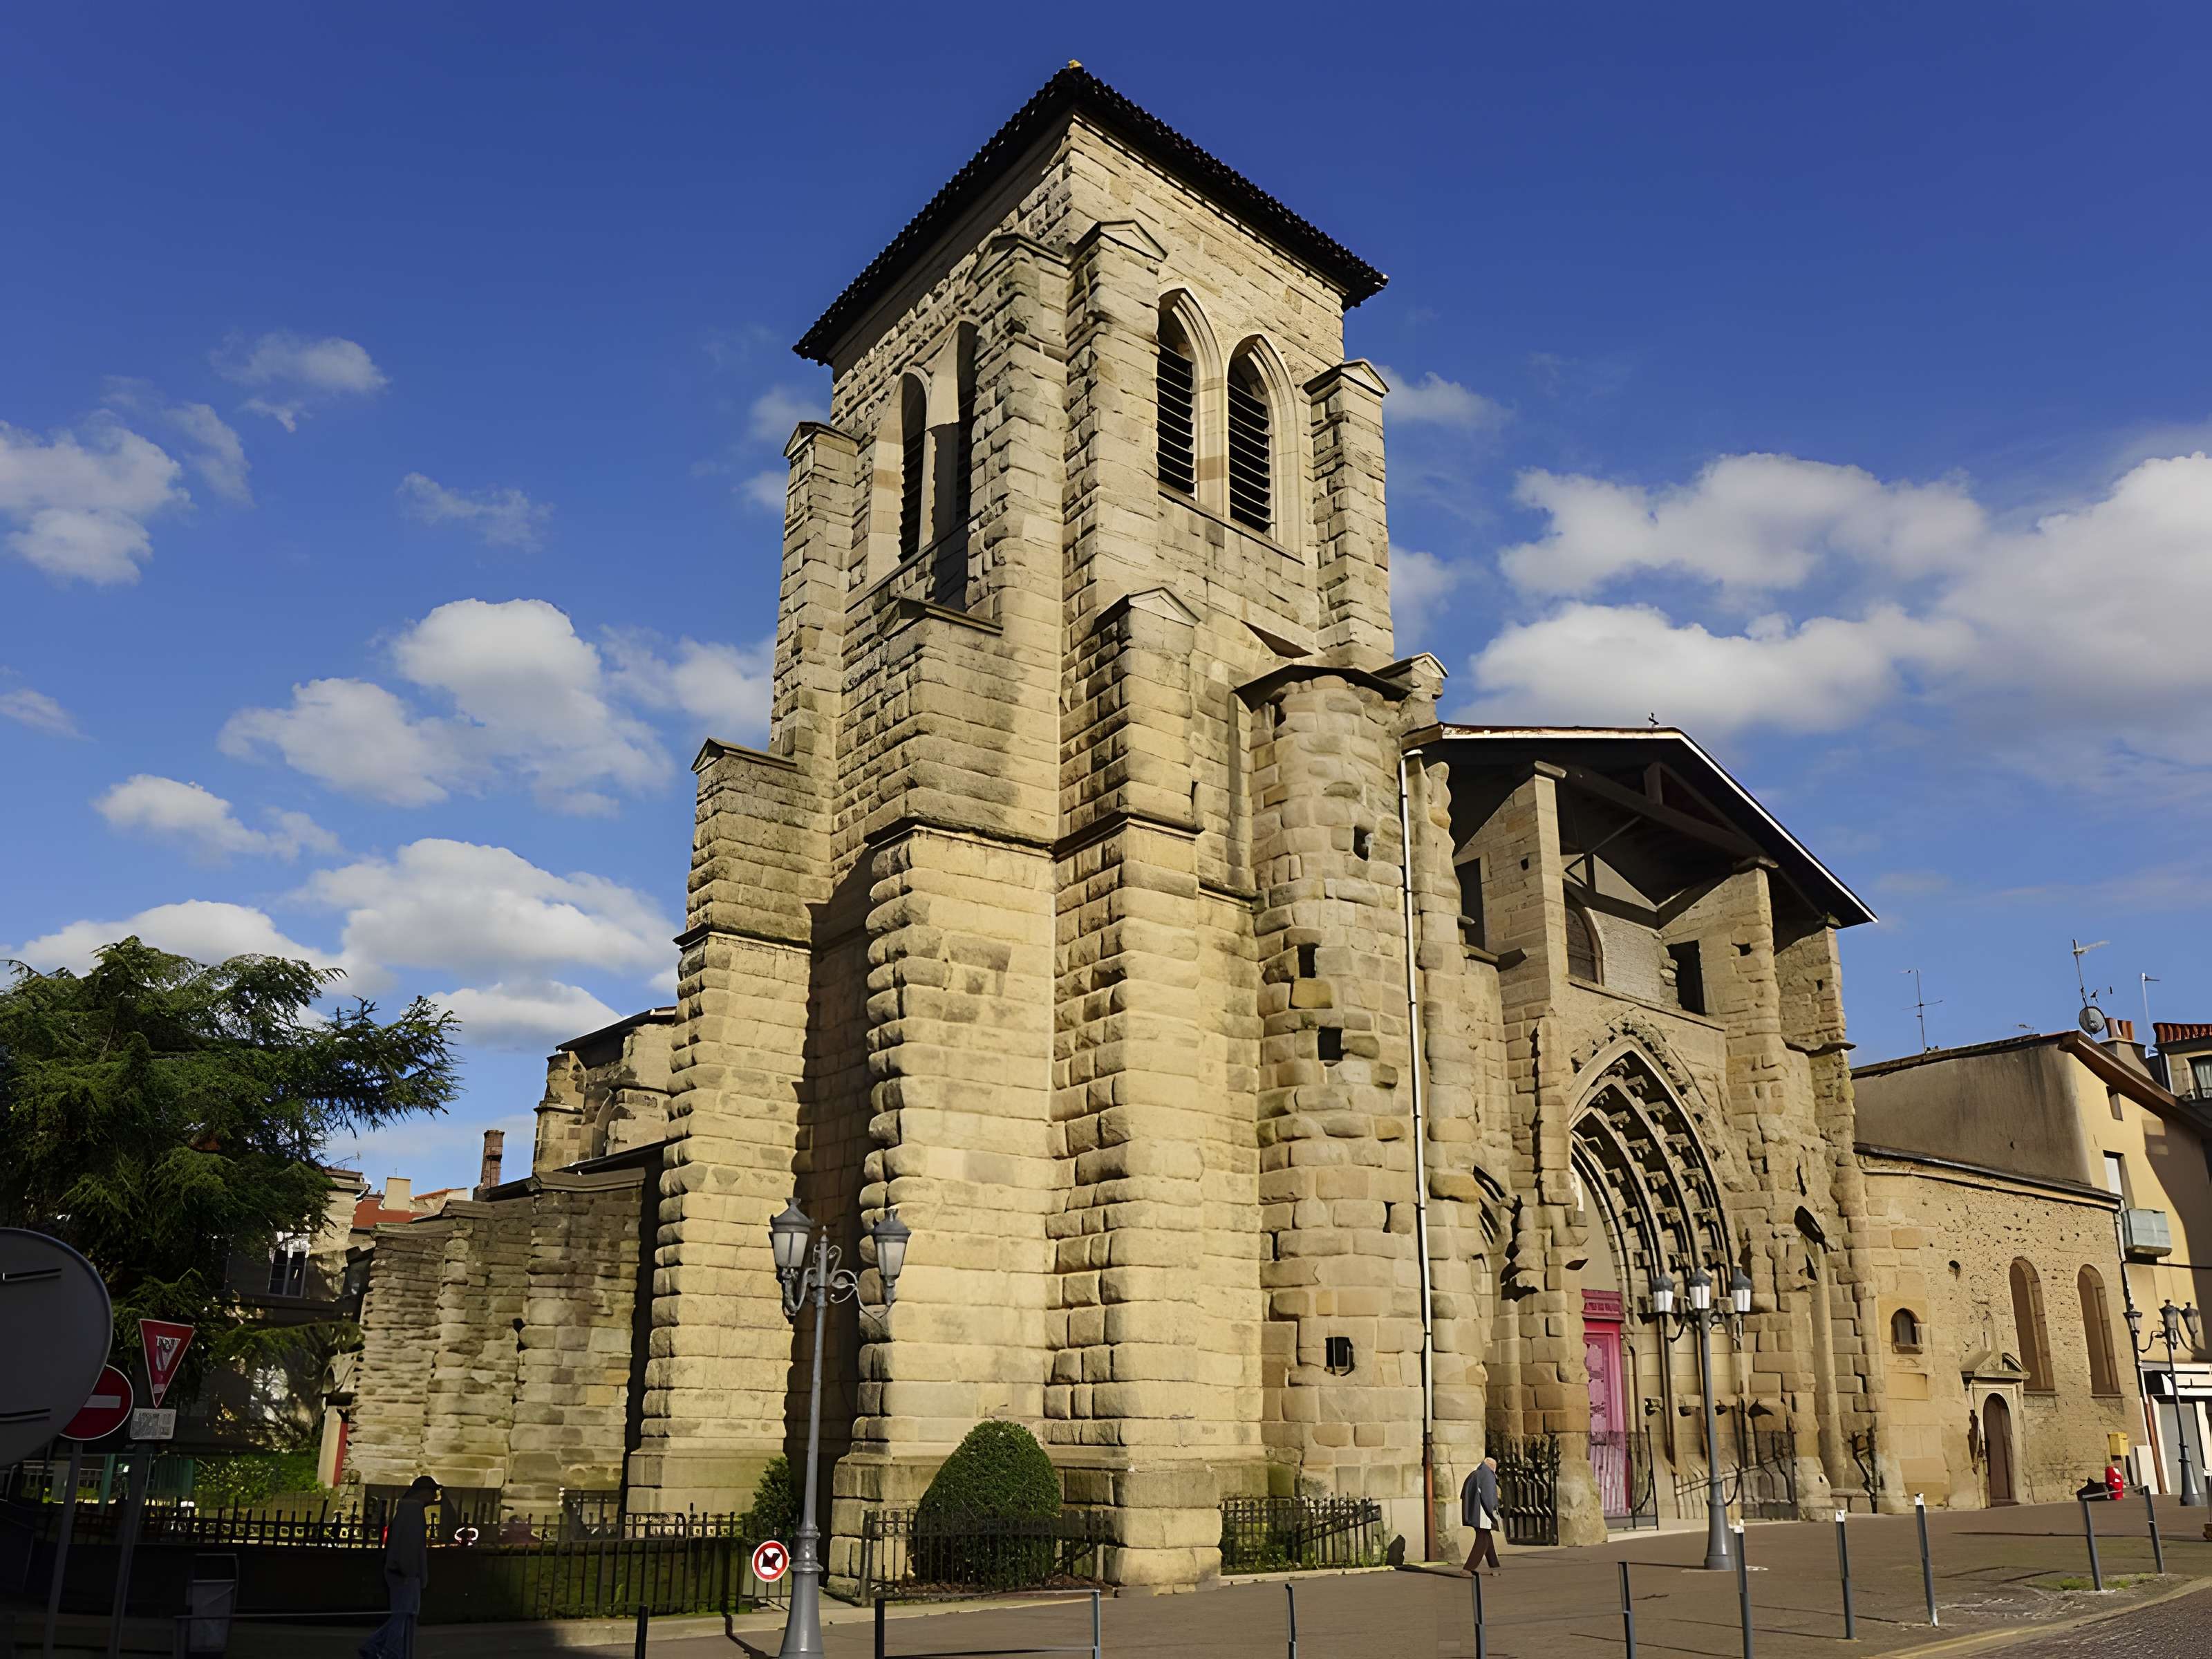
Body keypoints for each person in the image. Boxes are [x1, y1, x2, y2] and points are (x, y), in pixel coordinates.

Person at [360, 1474, 438, 1659]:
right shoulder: (413, 1511)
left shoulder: (407, 1509)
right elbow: (410, 1546)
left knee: (402, 1616)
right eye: (433, 1493)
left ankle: (378, 1647)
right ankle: (388, 1651)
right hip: (405, 1573)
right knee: (404, 1616)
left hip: (401, 1571)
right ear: (424, 1493)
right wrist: (411, 1572)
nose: (435, 1498)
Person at [1461, 1456, 1502, 1575]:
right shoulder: (1487, 1475)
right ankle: (1468, 1568)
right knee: (1482, 1539)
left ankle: (1494, 1567)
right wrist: (1494, 1513)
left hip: (1475, 1512)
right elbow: (1489, 1497)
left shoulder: (1475, 1474)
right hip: (1482, 1514)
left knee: (1487, 1538)